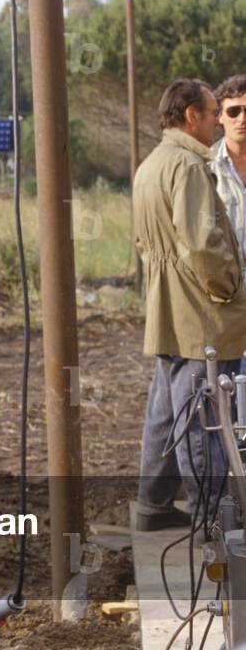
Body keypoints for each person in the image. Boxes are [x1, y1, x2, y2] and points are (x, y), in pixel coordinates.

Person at [134, 79, 246, 531]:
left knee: (167, 412)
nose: (222, 118)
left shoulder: (152, 164)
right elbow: (203, 245)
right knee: (201, 421)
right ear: (192, 116)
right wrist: (230, 290)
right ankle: (214, 521)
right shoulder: (190, 166)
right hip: (201, 314)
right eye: (216, 110)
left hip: (170, 307)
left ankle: (153, 504)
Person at [212, 74, 246, 263]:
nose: (242, 119)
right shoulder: (203, 167)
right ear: (220, 117)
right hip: (223, 286)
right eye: (233, 111)